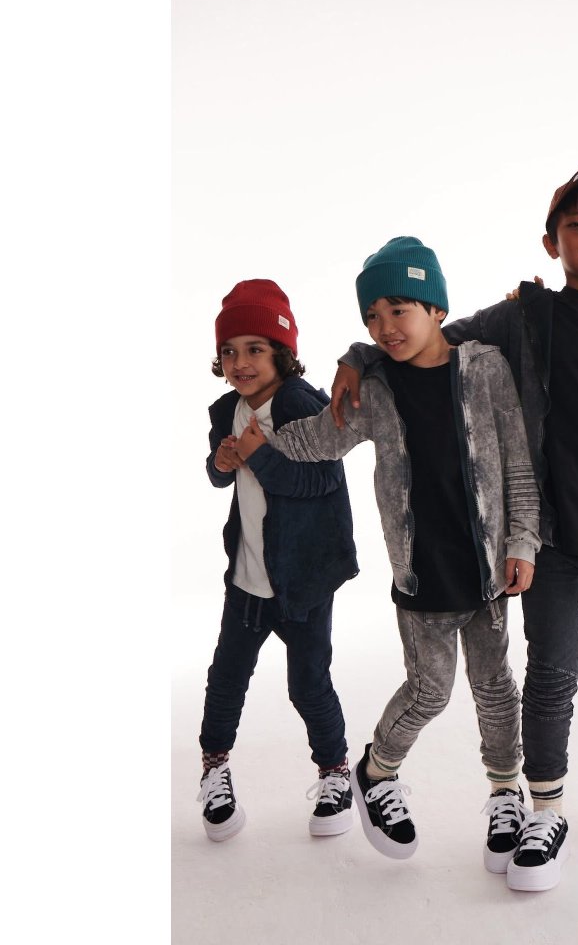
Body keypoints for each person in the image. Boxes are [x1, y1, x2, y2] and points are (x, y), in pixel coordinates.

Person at [330, 164, 578, 892]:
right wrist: (358, 355)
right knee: (550, 676)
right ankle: (545, 810)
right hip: (548, 539)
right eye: (575, 225)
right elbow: (429, 341)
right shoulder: (521, 317)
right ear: (552, 242)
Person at [237, 236, 540, 870]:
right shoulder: (374, 388)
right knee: (430, 691)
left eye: (398, 309)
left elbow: (517, 464)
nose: (384, 327)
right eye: (372, 316)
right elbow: (320, 439)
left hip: (487, 572)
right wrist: (259, 446)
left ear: (436, 309)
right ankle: (376, 770)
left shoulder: (485, 368)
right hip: (422, 574)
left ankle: (505, 792)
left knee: (495, 686)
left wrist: (522, 541)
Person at [199, 279, 359, 842]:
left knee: (308, 684)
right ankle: (214, 768)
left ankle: (336, 772)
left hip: (303, 581)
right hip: (248, 579)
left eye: (255, 349)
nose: (240, 363)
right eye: (229, 351)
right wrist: (223, 462)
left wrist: (258, 456)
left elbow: (321, 481)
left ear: (283, 353)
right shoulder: (228, 409)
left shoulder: (300, 405)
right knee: (226, 677)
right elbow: (219, 475)